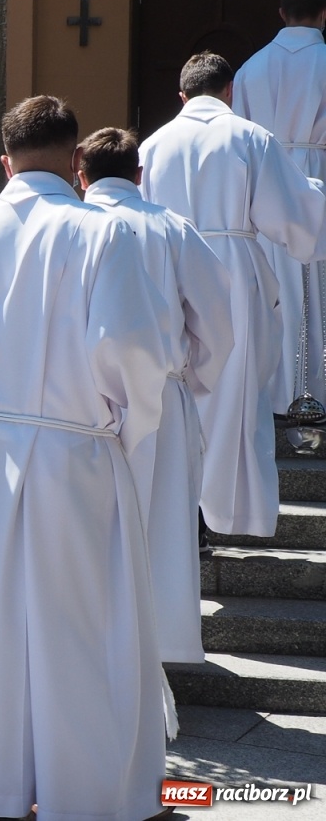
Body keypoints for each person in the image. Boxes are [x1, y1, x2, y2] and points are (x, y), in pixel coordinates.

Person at [0, 96, 173, 821]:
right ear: (77, 162)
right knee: (81, 629)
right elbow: (136, 354)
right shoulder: (103, 234)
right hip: (76, 455)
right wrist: (120, 430)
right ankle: (88, 791)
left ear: (5, 161)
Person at [140, 52, 326, 538]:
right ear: (229, 91)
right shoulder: (249, 137)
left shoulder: (154, 146)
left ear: (181, 97)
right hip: (232, 278)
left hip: (169, 278)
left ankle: (184, 516)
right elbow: (291, 217)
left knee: (179, 395)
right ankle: (222, 515)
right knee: (233, 398)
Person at [79, 127, 234, 666]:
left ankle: (96, 656)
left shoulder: (69, 226)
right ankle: (155, 659)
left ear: (82, 175)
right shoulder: (171, 227)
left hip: (80, 407)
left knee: (93, 536)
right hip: (163, 403)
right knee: (162, 532)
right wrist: (191, 379)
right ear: (139, 174)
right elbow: (217, 319)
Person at [234, 0, 326, 411]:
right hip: (320, 177)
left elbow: (236, 141)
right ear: (324, 14)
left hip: (267, 187)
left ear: (281, 14)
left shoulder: (251, 69)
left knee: (278, 293)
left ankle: (275, 396)